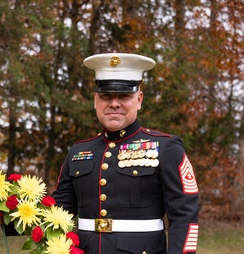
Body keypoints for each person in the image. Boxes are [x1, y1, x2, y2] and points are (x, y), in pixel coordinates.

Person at [52, 53, 199, 254]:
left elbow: (185, 216)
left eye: (124, 96)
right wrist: (4, 211)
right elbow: (57, 213)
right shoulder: (79, 151)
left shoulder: (166, 147)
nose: (114, 103)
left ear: (139, 99)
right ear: (96, 100)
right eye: (106, 96)